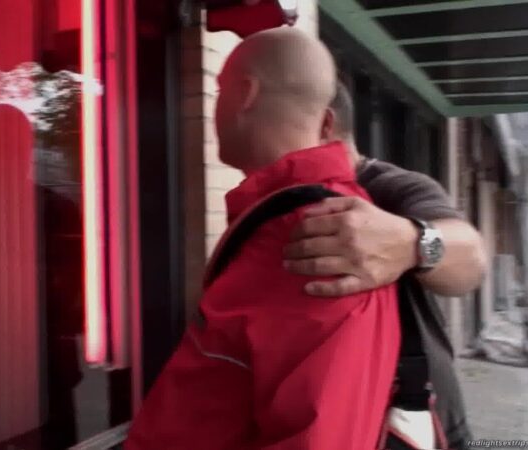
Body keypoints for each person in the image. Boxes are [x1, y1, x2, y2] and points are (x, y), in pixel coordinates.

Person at [125, 28, 400, 449]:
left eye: (220, 90)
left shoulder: (316, 234)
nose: (215, 108)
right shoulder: (294, 220)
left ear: (246, 93)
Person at [284, 81, 483, 447]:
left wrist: (413, 243)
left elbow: (470, 259)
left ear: (325, 125)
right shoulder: (280, 200)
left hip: (418, 423)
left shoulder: (395, 187)